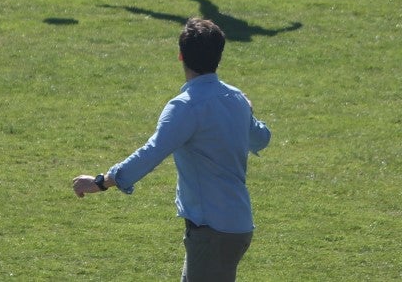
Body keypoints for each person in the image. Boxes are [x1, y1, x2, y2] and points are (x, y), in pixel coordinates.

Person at [72, 17, 271, 282]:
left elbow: (152, 152)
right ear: (219, 56)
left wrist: (101, 182)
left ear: (180, 55)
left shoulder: (185, 106)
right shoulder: (235, 98)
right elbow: (261, 139)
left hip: (211, 231)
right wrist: (248, 111)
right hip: (236, 226)